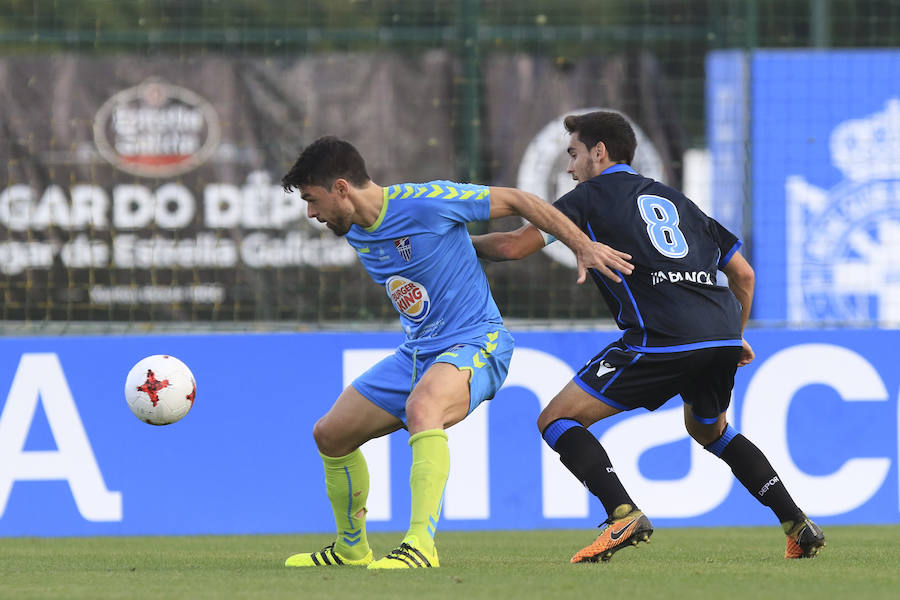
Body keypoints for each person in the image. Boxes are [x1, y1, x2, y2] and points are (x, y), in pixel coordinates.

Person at [470, 111, 826, 563]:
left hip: (663, 337)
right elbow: (744, 275)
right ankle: (797, 522)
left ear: (599, 153)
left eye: (574, 154)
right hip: (718, 335)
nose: (569, 167)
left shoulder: (589, 197)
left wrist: (454, 242)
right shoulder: (677, 201)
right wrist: (735, 338)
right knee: (711, 432)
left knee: (556, 420)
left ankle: (621, 514)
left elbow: (512, 246)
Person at [279, 136, 633, 570]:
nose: (311, 213)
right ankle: (351, 548)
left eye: (312, 200)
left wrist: (581, 244)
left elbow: (520, 200)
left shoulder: (426, 201)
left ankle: (420, 546)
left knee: (423, 405)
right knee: (330, 435)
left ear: (341, 188)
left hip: (476, 341)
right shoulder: (356, 231)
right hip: (418, 353)